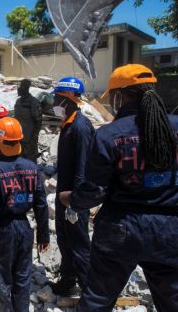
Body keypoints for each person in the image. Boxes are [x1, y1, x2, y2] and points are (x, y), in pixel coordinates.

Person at [59, 64, 178, 312]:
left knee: (97, 300)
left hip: (120, 229)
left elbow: (96, 191)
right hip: (169, 230)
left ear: (119, 95)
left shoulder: (109, 135)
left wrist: (72, 200)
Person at [0, 117, 50, 312]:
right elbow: (41, 204)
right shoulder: (32, 167)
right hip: (25, 229)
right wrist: (43, 235)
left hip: (2, 231)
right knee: (22, 280)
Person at [49, 77, 94, 297]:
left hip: (74, 199)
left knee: (79, 244)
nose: (54, 102)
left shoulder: (80, 127)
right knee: (64, 240)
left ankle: (89, 292)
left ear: (67, 100)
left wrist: (75, 204)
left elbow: (83, 169)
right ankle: (68, 280)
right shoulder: (67, 124)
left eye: (56, 98)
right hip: (63, 196)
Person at [14, 79, 42, 162]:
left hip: (29, 138)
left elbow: (39, 120)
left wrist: (35, 135)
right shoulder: (18, 101)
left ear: (26, 87)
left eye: (21, 86)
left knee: (30, 160)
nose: (18, 89)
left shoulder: (33, 102)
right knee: (19, 158)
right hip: (19, 137)